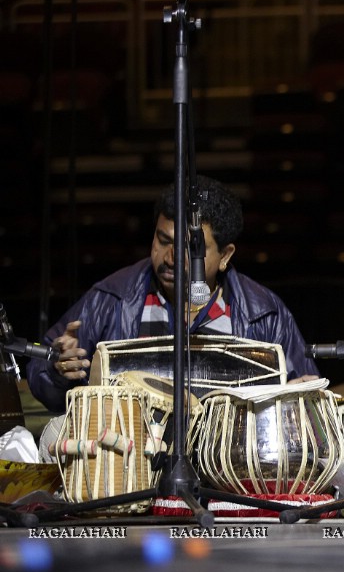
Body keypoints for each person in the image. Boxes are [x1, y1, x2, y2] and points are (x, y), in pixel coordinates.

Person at [27, 175, 319, 416]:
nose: (170, 257)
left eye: (189, 250)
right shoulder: (112, 297)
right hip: (133, 468)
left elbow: (304, 393)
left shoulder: (263, 312)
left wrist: (299, 396)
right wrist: (56, 371)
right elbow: (42, 371)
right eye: (163, 240)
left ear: (225, 255)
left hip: (226, 477)